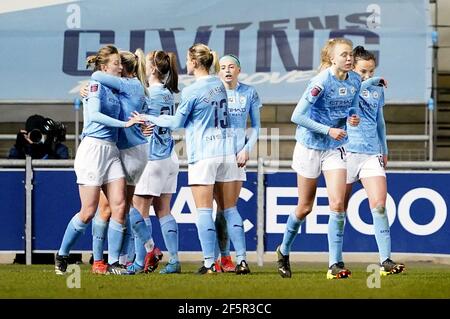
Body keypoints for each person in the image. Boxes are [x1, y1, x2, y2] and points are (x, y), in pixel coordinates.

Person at [133, 43, 239, 275]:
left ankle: (208, 263)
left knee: (201, 210)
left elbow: (176, 122)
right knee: (223, 209)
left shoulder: (184, 91)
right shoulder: (217, 85)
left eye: (188, 60)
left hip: (197, 153)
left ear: (194, 62)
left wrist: (147, 118)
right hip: (216, 152)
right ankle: (232, 259)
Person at [54, 44, 143, 275]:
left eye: (121, 64)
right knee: (88, 211)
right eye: (116, 63)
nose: (120, 67)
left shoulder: (117, 89)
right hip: (93, 149)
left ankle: (113, 263)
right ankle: (62, 253)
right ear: (104, 67)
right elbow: (94, 115)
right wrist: (125, 124)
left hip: (111, 150)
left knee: (120, 206)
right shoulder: (94, 86)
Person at [276, 38, 361, 279]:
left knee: (337, 204)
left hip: (335, 148)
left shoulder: (355, 79)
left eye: (350, 54)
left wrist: (352, 118)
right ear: (332, 58)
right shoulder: (321, 81)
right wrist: (328, 129)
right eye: (344, 54)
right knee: (304, 208)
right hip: (310, 146)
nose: (349, 58)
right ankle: (283, 251)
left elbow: (353, 107)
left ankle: (335, 264)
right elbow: (297, 116)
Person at [79, 49, 150, 275]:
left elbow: (97, 78)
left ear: (123, 68)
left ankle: (118, 257)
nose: (117, 67)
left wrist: (89, 83)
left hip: (123, 150)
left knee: (113, 208)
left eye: (120, 63)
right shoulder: (131, 87)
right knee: (119, 207)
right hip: (130, 149)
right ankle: (122, 257)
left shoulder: (125, 85)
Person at [344, 45, 405, 276]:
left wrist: (384, 149)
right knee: (338, 209)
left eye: (371, 71)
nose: (368, 76)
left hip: (371, 154)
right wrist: (373, 80)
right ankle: (334, 262)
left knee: (380, 206)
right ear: (353, 69)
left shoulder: (378, 90)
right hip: (346, 152)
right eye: (363, 71)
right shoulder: (347, 85)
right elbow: (358, 88)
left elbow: (380, 121)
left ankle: (385, 261)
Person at [126, 49, 181, 275]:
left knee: (140, 210)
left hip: (152, 156)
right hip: (169, 155)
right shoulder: (168, 93)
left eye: (146, 64)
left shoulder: (149, 95)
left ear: (153, 68)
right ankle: (174, 260)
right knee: (164, 210)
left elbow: (134, 118)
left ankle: (141, 261)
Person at [212, 54, 262, 274]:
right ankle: (221, 258)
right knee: (218, 209)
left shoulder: (249, 92)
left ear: (239, 70)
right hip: (213, 155)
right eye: (222, 67)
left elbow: (257, 126)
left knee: (227, 208)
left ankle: (240, 259)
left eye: (231, 66)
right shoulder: (211, 92)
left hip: (235, 157)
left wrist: (245, 149)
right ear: (218, 72)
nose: (227, 70)